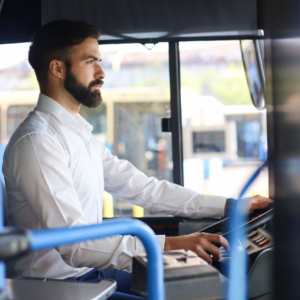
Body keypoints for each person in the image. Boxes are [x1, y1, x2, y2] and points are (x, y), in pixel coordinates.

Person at [2, 19, 271, 300]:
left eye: (100, 61)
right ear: (57, 68)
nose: (102, 73)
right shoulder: (38, 142)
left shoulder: (76, 133)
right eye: (90, 61)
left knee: (210, 289)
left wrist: (230, 206)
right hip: (56, 287)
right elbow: (76, 245)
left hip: (89, 274)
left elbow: (143, 188)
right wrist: (171, 245)